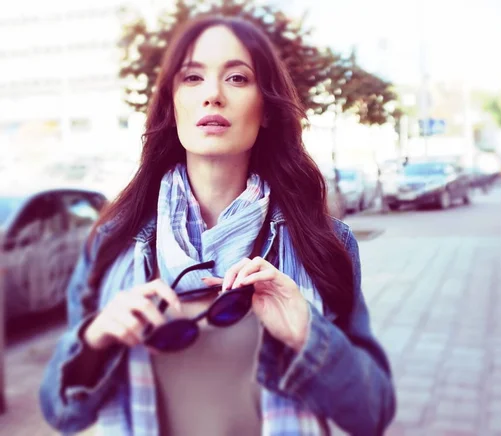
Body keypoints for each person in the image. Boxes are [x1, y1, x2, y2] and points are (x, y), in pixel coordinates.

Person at [39, 16, 396, 436]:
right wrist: (95, 339)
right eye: (192, 77)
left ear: (265, 110)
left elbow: (371, 414)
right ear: (172, 105)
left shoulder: (321, 242)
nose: (213, 95)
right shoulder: (112, 244)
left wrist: (306, 332)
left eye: (237, 78)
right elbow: (62, 414)